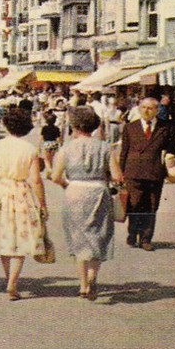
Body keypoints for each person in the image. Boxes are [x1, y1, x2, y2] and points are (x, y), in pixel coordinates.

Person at [0, 107, 48, 301]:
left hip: (0, 194)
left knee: (3, 237)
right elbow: (36, 180)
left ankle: (9, 278)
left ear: (6, 125)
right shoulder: (30, 149)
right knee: (21, 240)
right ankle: (12, 282)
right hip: (22, 194)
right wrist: (42, 204)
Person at [52, 106, 123, 301]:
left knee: (78, 237)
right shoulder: (105, 147)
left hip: (75, 191)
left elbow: (55, 176)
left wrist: (67, 184)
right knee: (98, 235)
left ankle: (83, 285)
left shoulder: (66, 148)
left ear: (74, 126)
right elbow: (117, 176)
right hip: (99, 191)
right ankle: (93, 277)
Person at [118, 94, 175, 250]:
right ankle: (133, 233)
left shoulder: (165, 128)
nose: (147, 111)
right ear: (139, 109)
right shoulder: (130, 127)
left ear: (156, 110)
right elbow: (124, 152)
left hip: (155, 172)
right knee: (134, 205)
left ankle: (146, 239)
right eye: (144, 108)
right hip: (133, 172)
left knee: (152, 206)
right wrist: (120, 173)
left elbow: (173, 149)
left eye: (150, 108)